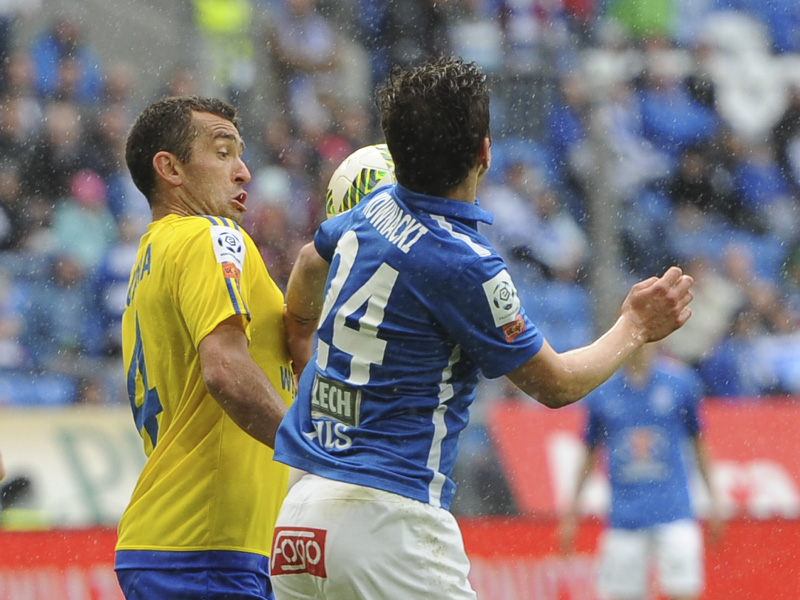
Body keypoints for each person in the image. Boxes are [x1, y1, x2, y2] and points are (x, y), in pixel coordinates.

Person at [269, 56, 694, 599]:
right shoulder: (464, 263)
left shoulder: (370, 211)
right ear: (485, 152)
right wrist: (634, 326)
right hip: (389, 520)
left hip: (300, 517)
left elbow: (310, 260)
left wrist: (301, 336)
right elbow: (556, 384)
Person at [115, 96, 294, 600]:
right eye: (222, 152)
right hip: (205, 547)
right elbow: (225, 369)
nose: (243, 171)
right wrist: (315, 452)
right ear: (170, 169)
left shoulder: (154, 253)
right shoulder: (209, 237)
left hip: (188, 545)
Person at [558, 343, 722, 600]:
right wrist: (572, 513)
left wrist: (715, 500)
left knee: (683, 591)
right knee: (622, 594)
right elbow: (589, 453)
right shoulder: (602, 392)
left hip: (674, 512)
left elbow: (699, 443)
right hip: (625, 517)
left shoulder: (681, 384)